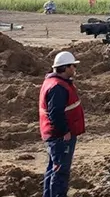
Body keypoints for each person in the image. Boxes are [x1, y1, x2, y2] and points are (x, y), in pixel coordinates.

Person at [39, 51, 85, 197]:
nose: (74, 69)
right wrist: (65, 131)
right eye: (73, 66)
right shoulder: (58, 87)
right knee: (60, 171)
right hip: (60, 137)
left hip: (55, 135)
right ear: (65, 68)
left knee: (53, 169)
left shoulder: (55, 83)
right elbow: (55, 113)